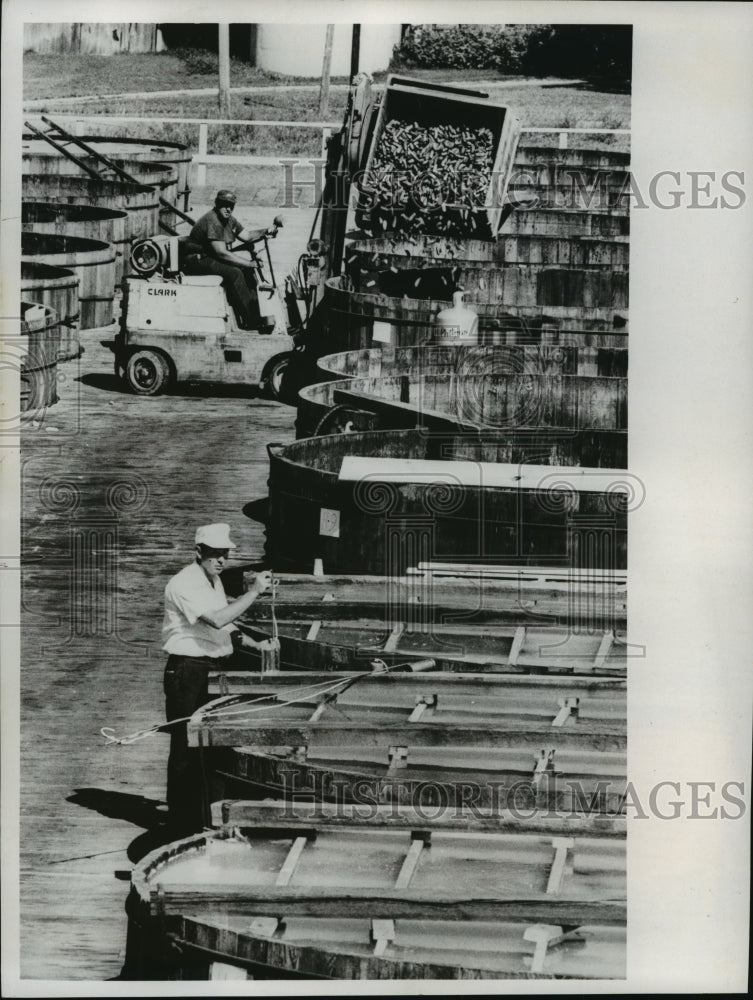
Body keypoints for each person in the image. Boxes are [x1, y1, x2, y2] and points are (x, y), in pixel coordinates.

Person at [161, 522, 274, 832]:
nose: (222, 560)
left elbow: (228, 628)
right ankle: (181, 825)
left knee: (213, 746)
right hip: (187, 670)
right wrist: (253, 592)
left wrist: (256, 644)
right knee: (186, 749)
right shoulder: (183, 583)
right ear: (199, 552)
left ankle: (206, 820)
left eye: (225, 554)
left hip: (211, 669)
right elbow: (217, 619)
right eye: (214, 554)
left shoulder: (214, 580)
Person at [182, 189, 274, 330]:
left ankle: (255, 312)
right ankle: (251, 321)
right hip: (196, 260)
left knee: (247, 271)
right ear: (217, 204)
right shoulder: (213, 220)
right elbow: (222, 253)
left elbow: (247, 236)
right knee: (235, 272)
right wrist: (249, 263)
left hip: (209, 256)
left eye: (231, 206)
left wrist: (267, 231)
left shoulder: (229, 220)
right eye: (225, 205)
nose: (228, 209)